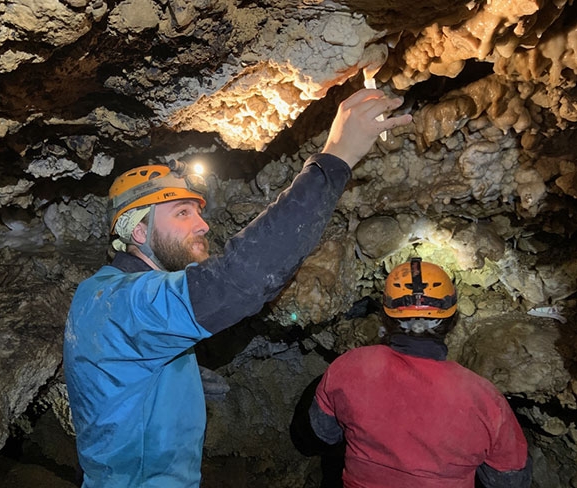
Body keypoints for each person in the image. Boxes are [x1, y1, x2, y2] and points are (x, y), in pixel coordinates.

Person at [62, 88, 412, 488]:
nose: (203, 224)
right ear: (138, 230)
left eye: (197, 211)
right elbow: (238, 280)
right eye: (181, 213)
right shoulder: (122, 302)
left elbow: (120, 368)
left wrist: (175, 378)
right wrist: (337, 157)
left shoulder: (105, 295)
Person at [306, 257, 533, 488]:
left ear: (385, 317)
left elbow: (323, 433)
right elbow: (509, 481)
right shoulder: (485, 401)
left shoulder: (349, 366)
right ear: (453, 321)